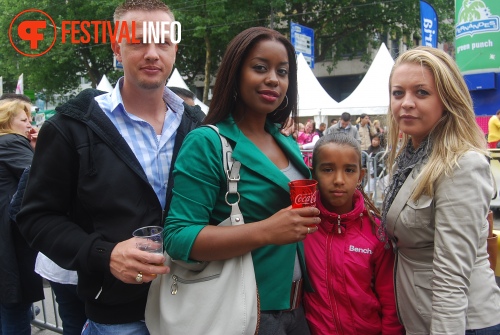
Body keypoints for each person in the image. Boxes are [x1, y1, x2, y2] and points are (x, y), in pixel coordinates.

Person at [17, 0, 206, 334]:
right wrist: (104, 254)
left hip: (197, 305)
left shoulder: (200, 126)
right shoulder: (69, 128)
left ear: (175, 48)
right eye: (137, 41)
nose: (152, 53)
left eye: (162, 41)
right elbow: (36, 218)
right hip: (119, 317)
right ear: (116, 47)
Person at [164, 26, 320, 335]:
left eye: (283, 71)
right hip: (249, 310)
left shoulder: (284, 140)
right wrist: (266, 231)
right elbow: (178, 237)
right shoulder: (207, 142)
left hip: (302, 309)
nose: (274, 79)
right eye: (260, 68)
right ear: (235, 74)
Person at [382, 46, 500, 334]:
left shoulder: (462, 165)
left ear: (447, 99)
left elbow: (452, 279)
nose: (406, 103)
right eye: (398, 93)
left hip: (459, 323)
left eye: (421, 93)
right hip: (421, 315)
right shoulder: (409, 154)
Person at [303, 133, 403, 335]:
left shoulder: (376, 232)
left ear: (361, 175)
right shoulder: (302, 227)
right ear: (313, 174)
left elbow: (390, 300)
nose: (339, 180)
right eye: (328, 169)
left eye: (349, 170)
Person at [0, 98, 43, 335]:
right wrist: (39, 151)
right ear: (8, 122)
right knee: (15, 308)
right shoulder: (12, 141)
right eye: (24, 120)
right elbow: (40, 176)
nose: (29, 125)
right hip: (10, 242)